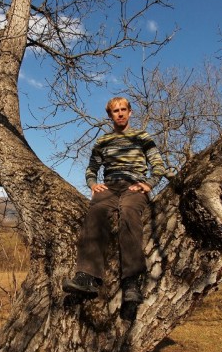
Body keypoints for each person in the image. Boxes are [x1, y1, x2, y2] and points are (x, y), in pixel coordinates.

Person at [63, 96, 165, 304]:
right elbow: (92, 168)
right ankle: (86, 277)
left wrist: (149, 184)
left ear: (130, 112)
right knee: (95, 212)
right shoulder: (103, 141)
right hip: (110, 185)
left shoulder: (142, 136)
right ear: (109, 115)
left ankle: (131, 281)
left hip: (134, 186)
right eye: (115, 111)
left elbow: (158, 164)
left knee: (128, 211)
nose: (120, 113)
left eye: (123, 109)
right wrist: (93, 184)